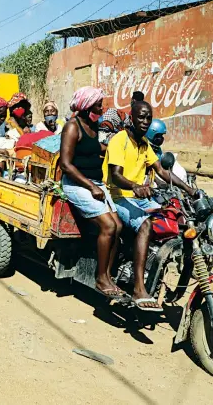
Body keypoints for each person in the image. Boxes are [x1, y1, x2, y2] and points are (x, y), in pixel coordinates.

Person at [103, 100, 196, 312]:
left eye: (148, 118)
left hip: (139, 196)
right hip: (117, 196)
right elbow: (115, 176)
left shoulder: (144, 144)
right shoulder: (120, 140)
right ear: (132, 118)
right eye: (141, 117)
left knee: (173, 216)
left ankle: (155, 266)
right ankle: (138, 287)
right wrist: (135, 186)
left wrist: (188, 189)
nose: (145, 121)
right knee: (145, 224)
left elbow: (163, 172)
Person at [60, 87, 124, 298]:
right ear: (87, 107)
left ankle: (107, 274)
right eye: (98, 104)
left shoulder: (93, 125)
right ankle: (100, 278)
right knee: (108, 225)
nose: (101, 108)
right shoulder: (72, 127)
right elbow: (66, 165)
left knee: (119, 226)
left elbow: (95, 148)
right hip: (76, 184)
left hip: (96, 183)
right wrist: (91, 186)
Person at [145, 119, 187, 184]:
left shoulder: (157, 149)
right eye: (158, 136)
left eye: (161, 136)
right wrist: (159, 182)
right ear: (151, 133)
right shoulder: (144, 148)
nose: (161, 138)